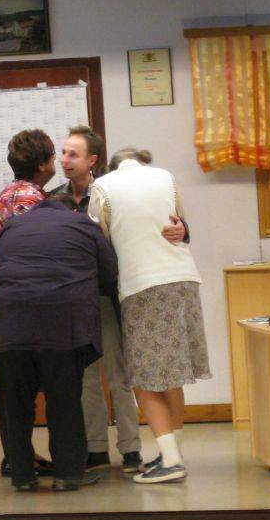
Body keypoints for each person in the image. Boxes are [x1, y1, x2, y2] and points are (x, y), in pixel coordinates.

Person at [48, 125, 187, 474]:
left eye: (73, 154)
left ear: (92, 160)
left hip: (109, 295)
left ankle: (130, 448)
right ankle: (95, 447)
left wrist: (184, 229)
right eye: (63, 153)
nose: (64, 160)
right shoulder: (53, 200)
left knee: (119, 374)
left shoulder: (113, 189)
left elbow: (153, 225)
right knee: (86, 378)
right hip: (74, 301)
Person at [88, 147, 210, 484]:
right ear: (141, 164)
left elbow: (100, 241)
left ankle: (170, 462)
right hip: (184, 280)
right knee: (171, 376)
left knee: (143, 378)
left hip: (143, 286)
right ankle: (174, 452)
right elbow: (179, 223)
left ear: (112, 167)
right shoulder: (166, 178)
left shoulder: (103, 187)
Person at [0, 197, 118, 491]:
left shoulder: (10, 227)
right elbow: (109, 273)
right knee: (64, 399)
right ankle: (67, 474)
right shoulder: (83, 224)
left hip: (11, 323)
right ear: (71, 210)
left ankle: (22, 476)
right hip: (63, 323)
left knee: (15, 403)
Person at [0, 128, 56, 478]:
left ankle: (17, 454)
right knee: (18, 382)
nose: (56, 162)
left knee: (8, 384)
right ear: (42, 165)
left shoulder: (7, 194)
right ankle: (18, 457)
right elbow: (31, 248)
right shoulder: (30, 199)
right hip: (15, 299)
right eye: (53, 157)